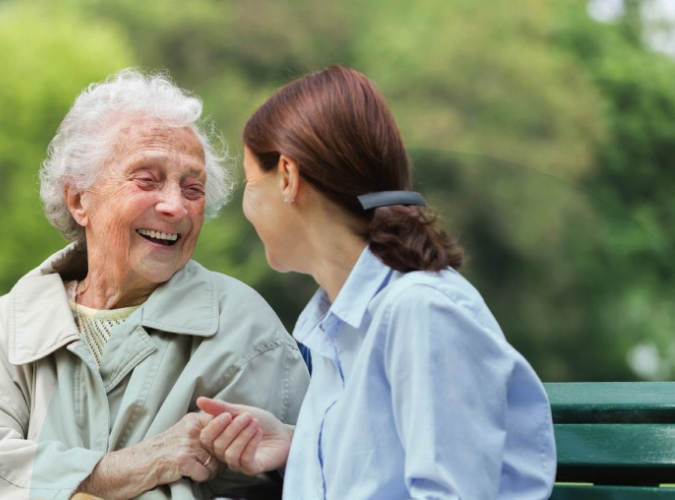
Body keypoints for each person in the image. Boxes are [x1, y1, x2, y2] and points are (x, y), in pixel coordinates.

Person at [0, 68, 311, 500]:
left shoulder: (243, 329)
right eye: (147, 179)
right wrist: (134, 467)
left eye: (193, 187)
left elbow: (285, 488)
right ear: (79, 199)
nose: (174, 206)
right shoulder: (7, 327)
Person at [196, 66, 556, 499]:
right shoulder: (339, 326)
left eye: (251, 185)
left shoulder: (422, 311)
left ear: (288, 177)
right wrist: (302, 445)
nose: (247, 208)